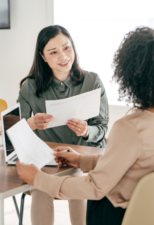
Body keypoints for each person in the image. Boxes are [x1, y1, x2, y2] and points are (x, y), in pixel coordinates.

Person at [16, 27, 154, 225]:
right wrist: (82, 160)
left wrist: (38, 179)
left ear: (129, 76)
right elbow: (134, 163)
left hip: (123, 216)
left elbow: (94, 187)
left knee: (81, 192)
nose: (63, 56)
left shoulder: (129, 127)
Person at [17, 25, 109, 225]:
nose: (63, 56)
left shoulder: (92, 81)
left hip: (82, 158)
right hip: (48, 160)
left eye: (67, 48)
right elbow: (17, 136)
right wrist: (31, 124)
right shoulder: (29, 88)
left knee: (79, 184)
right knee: (41, 186)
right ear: (43, 56)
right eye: (54, 52)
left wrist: (86, 131)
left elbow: (102, 129)